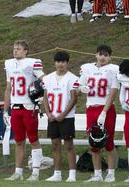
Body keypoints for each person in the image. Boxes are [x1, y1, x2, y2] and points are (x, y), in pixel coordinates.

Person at [3, 41, 45, 181]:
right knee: (19, 140)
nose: (15, 51)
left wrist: (41, 96)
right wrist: (5, 109)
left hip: (29, 106)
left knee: (33, 139)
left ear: (26, 51)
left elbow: (44, 80)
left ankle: (35, 173)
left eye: (19, 49)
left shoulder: (32, 62)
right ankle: (18, 172)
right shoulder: (9, 63)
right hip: (15, 106)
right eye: (14, 48)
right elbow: (8, 88)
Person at [78, 44, 120, 183]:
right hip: (91, 108)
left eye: (106, 55)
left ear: (110, 57)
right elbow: (78, 88)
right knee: (93, 143)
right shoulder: (87, 68)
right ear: (96, 55)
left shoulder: (113, 70)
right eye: (100, 54)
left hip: (106, 108)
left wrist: (104, 112)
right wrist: (81, 88)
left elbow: (113, 92)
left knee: (108, 142)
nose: (102, 57)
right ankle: (97, 174)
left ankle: (111, 173)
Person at [40, 51, 80, 183]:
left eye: (63, 62)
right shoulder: (47, 78)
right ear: (54, 63)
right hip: (53, 116)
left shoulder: (72, 78)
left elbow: (74, 99)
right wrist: (48, 112)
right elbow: (45, 97)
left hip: (66, 117)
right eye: (58, 62)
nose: (60, 64)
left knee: (69, 145)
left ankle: (72, 174)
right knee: (55, 145)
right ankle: (57, 174)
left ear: (67, 63)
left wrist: (63, 114)